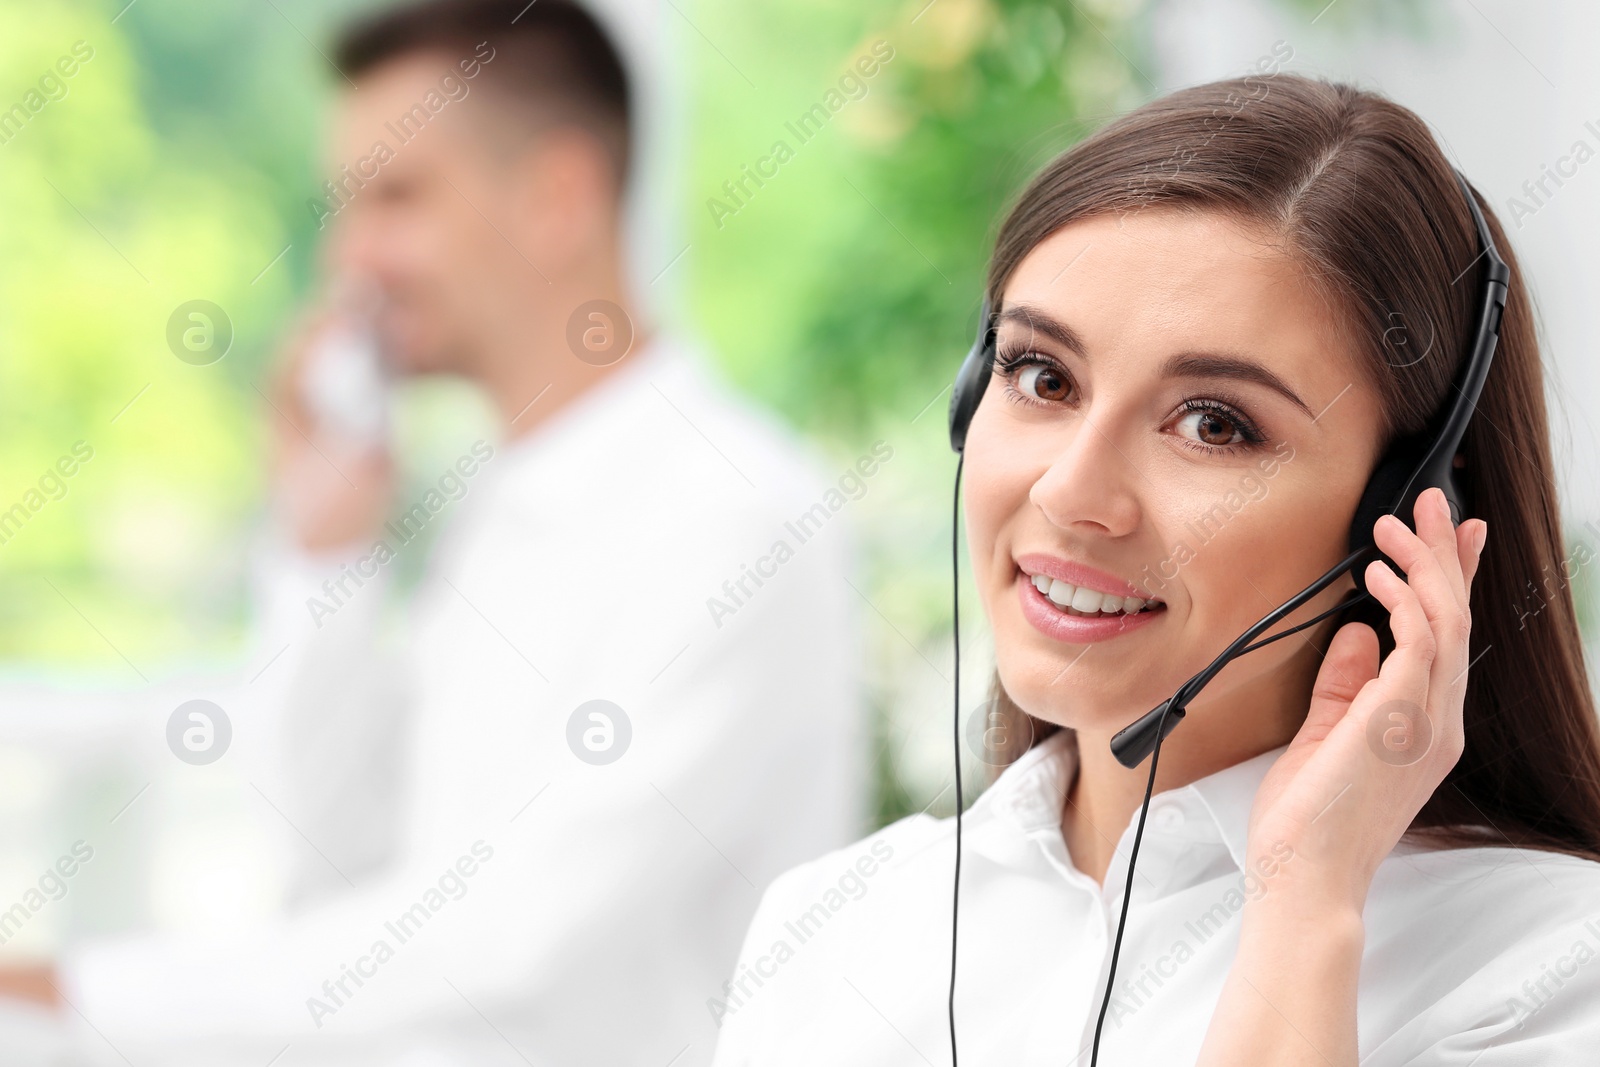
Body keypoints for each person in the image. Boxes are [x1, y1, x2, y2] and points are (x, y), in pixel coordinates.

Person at [0, 1, 867, 1063]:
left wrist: (72, 986)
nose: (350, 257)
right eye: (345, 207)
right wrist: (323, 551)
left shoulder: (734, 513)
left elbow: (509, 944)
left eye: (396, 197)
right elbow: (338, 863)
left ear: (559, 194)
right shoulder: (495, 502)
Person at [710, 74, 1600, 1065]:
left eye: (1213, 424)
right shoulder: (838, 929)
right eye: (1041, 375)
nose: (1069, 492)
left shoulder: (1548, 965)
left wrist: (1305, 901)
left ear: (1404, 501)